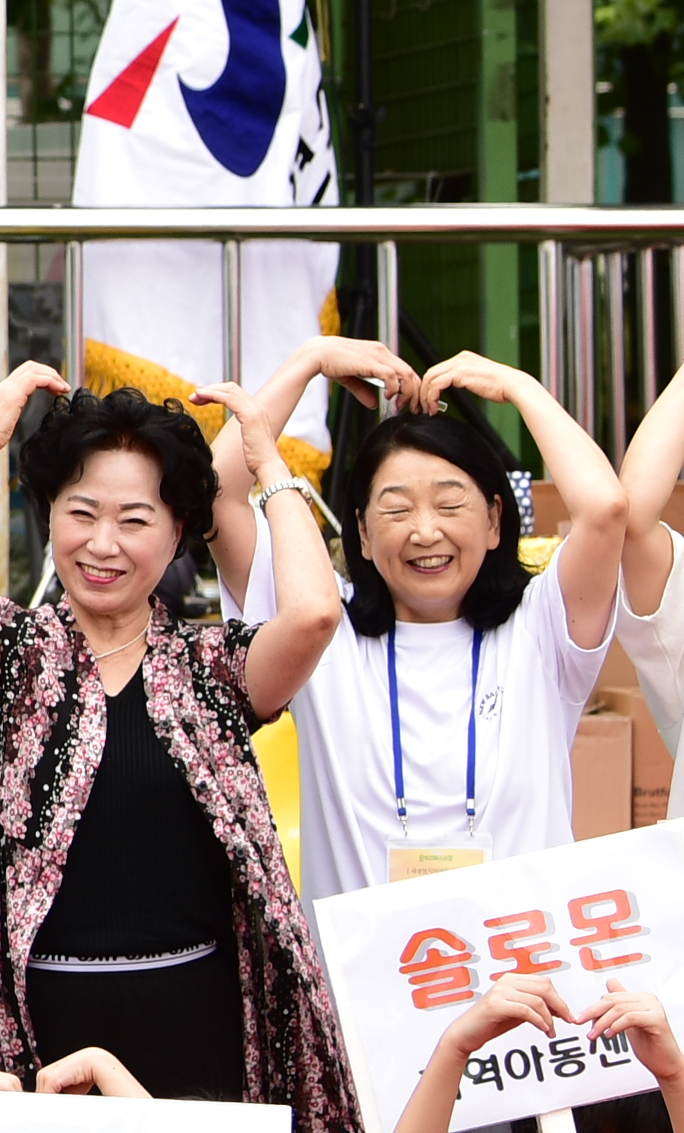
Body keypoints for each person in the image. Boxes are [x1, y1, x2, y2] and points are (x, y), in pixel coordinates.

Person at [0, 360, 367, 1133]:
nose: (104, 544)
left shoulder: (213, 667)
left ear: (178, 533)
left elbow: (316, 611)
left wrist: (268, 461)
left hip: (200, 1021)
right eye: (80, 513)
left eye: (135, 519)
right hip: (39, 1022)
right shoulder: (9, 658)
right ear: (50, 517)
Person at [217, 344, 629, 900]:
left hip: (526, 981)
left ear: (493, 520)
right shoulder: (320, 628)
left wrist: (520, 388)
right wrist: (306, 362)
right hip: (359, 983)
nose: (425, 531)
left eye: (450, 503)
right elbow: (217, 500)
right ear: (361, 532)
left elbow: (605, 509)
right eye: (397, 508)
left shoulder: (542, 629)